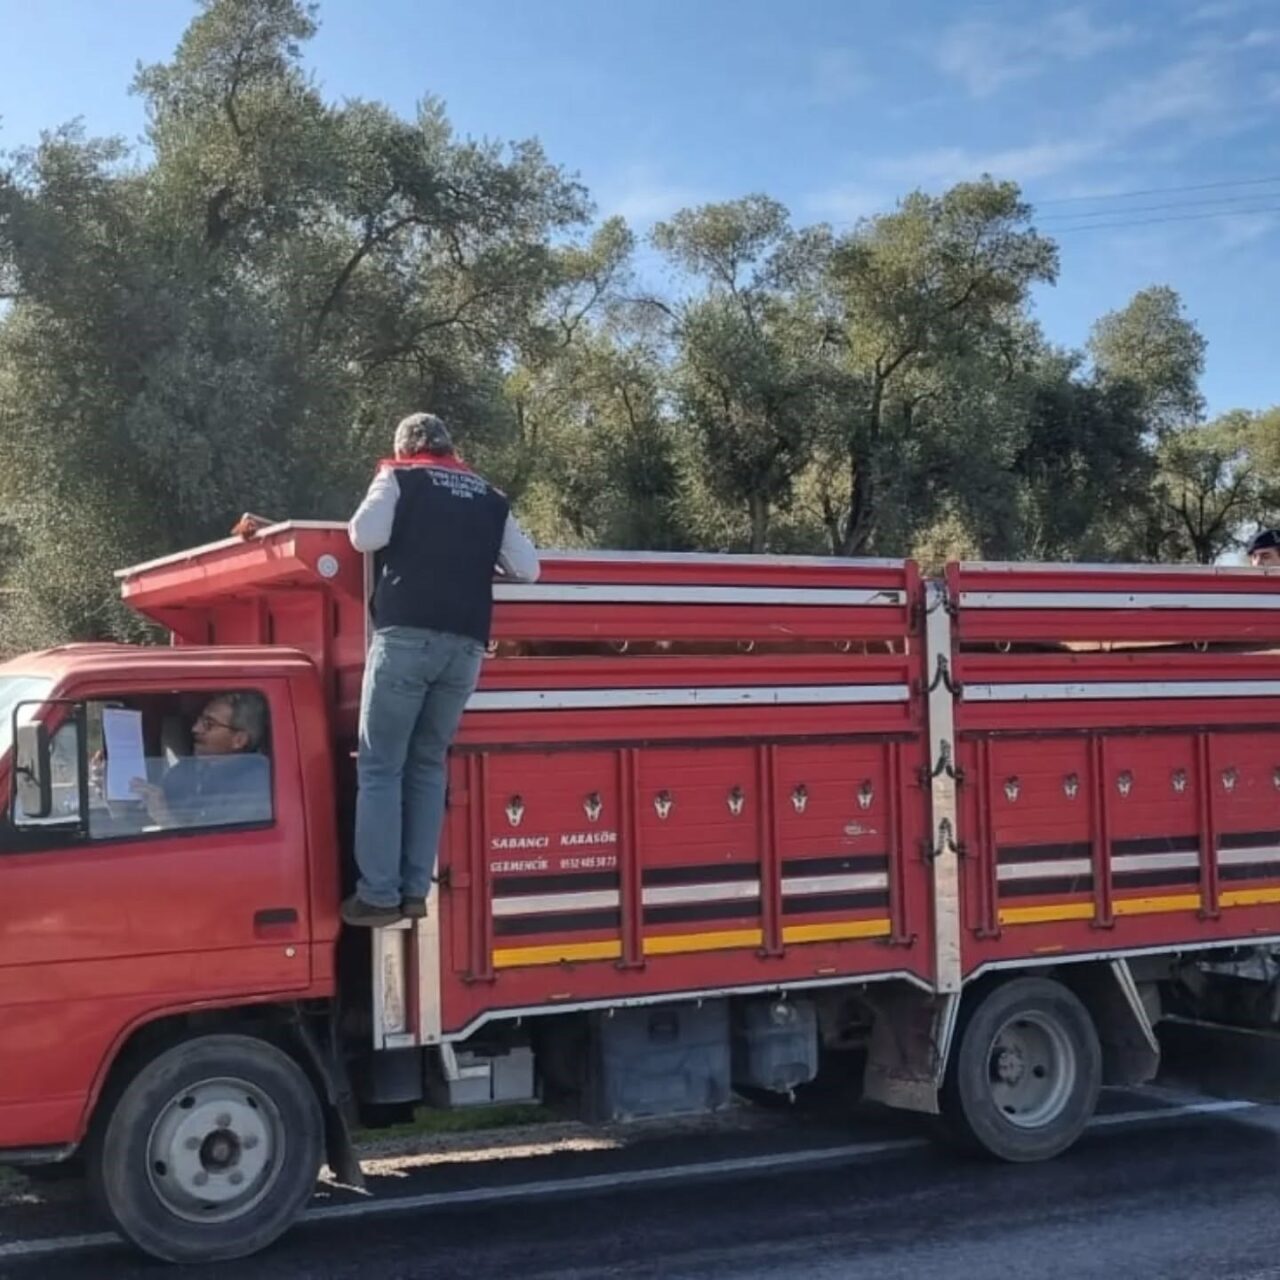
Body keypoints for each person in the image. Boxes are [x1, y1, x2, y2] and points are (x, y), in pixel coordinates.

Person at [342, 412, 540, 927]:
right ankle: (414, 891)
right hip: (466, 648)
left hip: (406, 638)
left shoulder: (400, 477)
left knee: (382, 766)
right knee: (428, 764)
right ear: (450, 448)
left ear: (406, 447)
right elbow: (529, 568)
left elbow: (363, 536)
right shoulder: (489, 496)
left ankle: (378, 895)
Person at [130, 693, 272, 829]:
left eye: (208, 724)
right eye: (199, 720)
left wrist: (166, 819)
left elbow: (215, 849)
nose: (195, 729)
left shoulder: (255, 789)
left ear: (239, 740)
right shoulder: (184, 771)